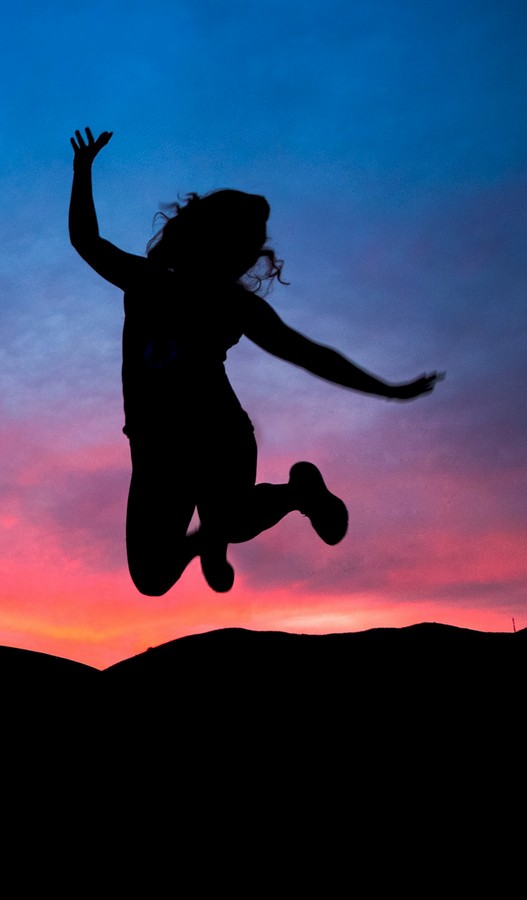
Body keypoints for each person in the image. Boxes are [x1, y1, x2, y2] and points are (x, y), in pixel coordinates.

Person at [68, 127, 441, 595]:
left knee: (233, 518)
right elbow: (86, 240)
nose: (248, 260)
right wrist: (82, 172)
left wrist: (386, 389)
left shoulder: (228, 303)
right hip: (155, 443)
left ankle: (289, 498)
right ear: (213, 242)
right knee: (152, 576)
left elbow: (308, 354)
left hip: (214, 432)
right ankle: (213, 538)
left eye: (249, 250)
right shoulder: (150, 280)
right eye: (244, 247)